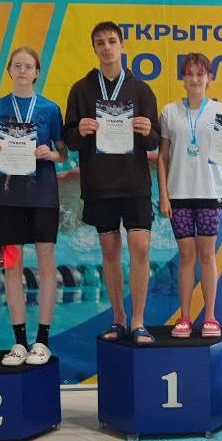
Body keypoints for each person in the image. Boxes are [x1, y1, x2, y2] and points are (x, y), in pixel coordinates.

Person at [63, 20, 160, 345]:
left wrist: (147, 131)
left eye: (111, 41)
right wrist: (80, 131)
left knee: (141, 248)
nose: (106, 47)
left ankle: (139, 321)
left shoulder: (141, 90)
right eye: (100, 43)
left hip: (134, 183)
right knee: (110, 251)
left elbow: (155, 141)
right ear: (94, 48)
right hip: (100, 183)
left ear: (122, 45)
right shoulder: (81, 90)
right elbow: (69, 140)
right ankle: (119, 318)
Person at [157, 53, 222, 337]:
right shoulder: (169, 112)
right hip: (179, 194)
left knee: (207, 255)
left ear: (209, 78)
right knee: (186, 256)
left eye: (200, 74)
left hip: (210, 192)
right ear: (183, 78)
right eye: (189, 74)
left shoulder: (220, 110)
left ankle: (211, 317)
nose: (195, 79)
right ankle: (184, 318)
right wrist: (164, 195)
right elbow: (163, 157)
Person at [0, 47, 67, 366]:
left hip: (43, 196)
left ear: (36, 72)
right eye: (17, 65)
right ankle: (19, 342)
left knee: (46, 263)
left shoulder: (50, 108)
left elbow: (63, 153)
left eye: (28, 66)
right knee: (12, 267)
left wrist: (51, 154)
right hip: (7, 199)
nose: (22, 70)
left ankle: (42, 340)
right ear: (9, 70)